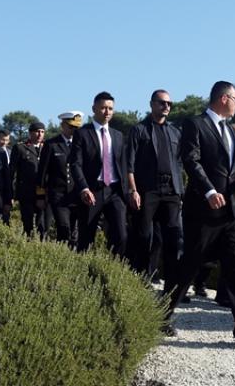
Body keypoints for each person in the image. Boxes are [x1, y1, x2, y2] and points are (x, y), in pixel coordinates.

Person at [166, 81, 235, 350]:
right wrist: (209, 190)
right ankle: (162, 314)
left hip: (232, 211)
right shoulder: (195, 124)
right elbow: (191, 160)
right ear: (224, 98)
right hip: (203, 211)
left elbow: (234, 167)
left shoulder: (230, 130)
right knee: (190, 264)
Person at [125, 89, 183, 290]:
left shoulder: (175, 132)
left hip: (171, 191)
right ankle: (141, 281)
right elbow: (129, 164)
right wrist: (133, 190)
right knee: (143, 237)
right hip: (147, 190)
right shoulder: (139, 130)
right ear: (151, 104)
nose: (166, 106)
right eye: (162, 102)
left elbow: (179, 163)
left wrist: (179, 191)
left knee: (173, 238)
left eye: (169, 103)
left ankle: (172, 286)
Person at [70, 92, 128, 258]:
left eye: (110, 108)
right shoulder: (82, 133)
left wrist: (129, 190)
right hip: (92, 191)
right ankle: (83, 271)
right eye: (103, 108)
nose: (107, 112)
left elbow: (123, 165)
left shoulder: (118, 135)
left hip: (114, 191)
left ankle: (112, 269)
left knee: (121, 235)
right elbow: (75, 164)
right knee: (86, 239)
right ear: (94, 109)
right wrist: (83, 188)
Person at [37, 111, 82, 245]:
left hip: (76, 195)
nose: (74, 130)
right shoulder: (51, 144)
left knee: (75, 232)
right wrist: (40, 195)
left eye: (77, 127)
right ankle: (61, 254)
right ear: (63, 125)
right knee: (63, 228)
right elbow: (42, 172)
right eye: (71, 127)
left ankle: (72, 255)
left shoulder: (81, 144)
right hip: (58, 195)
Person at [12, 121, 50, 237]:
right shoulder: (20, 148)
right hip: (27, 193)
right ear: (30, 133)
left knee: (43, 225)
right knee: (28, 225)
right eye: (37, 131)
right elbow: (12, 171)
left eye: (42, 132)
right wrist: (12, 194)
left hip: (45, 192)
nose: (40, 134)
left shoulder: (48, 147)